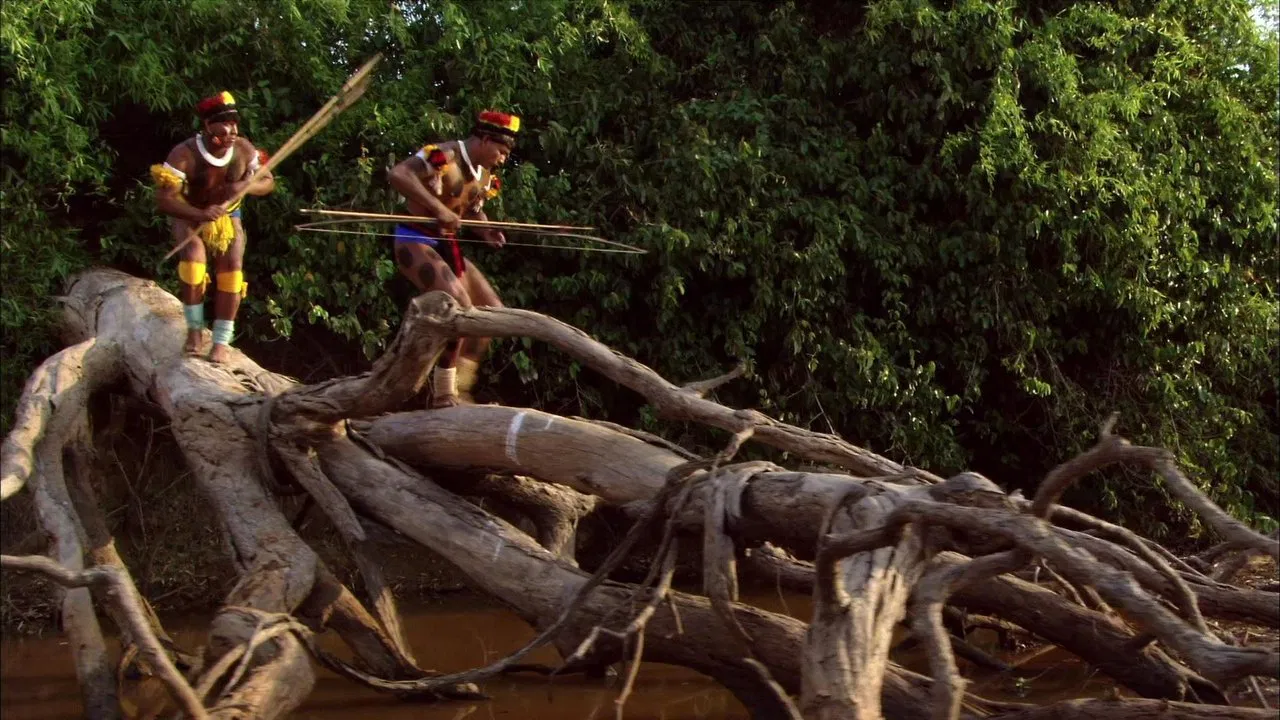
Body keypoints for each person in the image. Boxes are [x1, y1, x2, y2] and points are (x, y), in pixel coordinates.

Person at [387, 109, 517, 408]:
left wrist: (485, 230)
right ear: (484, 140)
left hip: (446, 244)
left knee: (491, 312)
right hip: (414, 239)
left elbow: (470, 209)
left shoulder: (483, 173)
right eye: (500, 151)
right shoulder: (444, 156)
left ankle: (460, 388)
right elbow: (399, 174)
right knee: (458, 306)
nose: (503, 159)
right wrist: (438, 209)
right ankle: (443, 394)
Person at [150, 91, 275, 363]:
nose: (232, 131)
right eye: (225, 123)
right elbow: (164, 200)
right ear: (208, 126)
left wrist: (248, 185)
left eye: (235, 123)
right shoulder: (184, 154)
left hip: (229, 217)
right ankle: (195, 331)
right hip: (191, 214)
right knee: (194, 264)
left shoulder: (244, 149)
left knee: (231, 272)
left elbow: (269, 182)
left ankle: (221, 342)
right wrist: (200, 213)